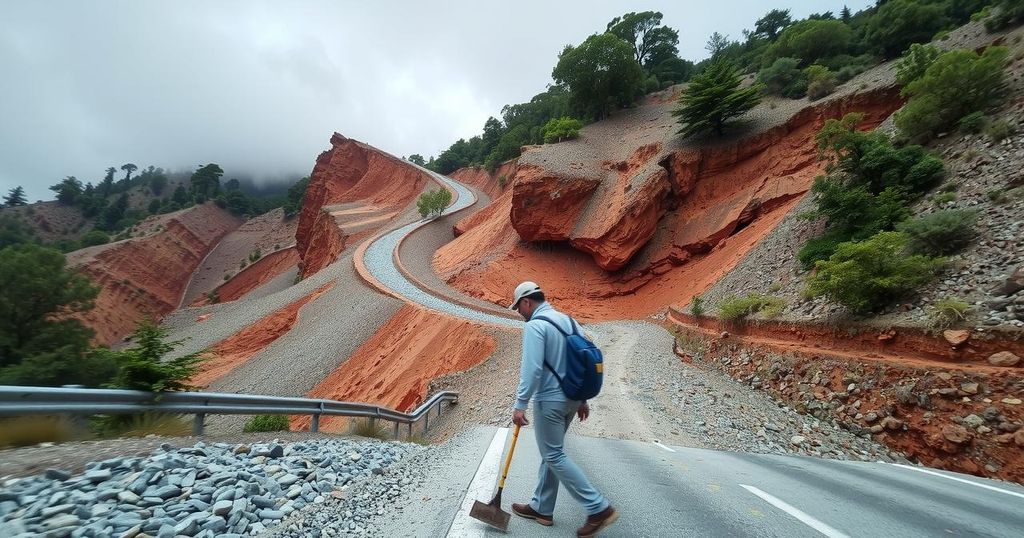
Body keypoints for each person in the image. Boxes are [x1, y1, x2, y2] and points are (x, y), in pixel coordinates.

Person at [507, 281, 618, 537]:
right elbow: (581, 360)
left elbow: (532, 369)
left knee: (554, 454)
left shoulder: (536, 326)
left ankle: (598, 507)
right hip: (571, 399)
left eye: (518, 308)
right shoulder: (568, 322)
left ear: (527, 302)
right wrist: (581, 399)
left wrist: (520, 404)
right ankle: (542, 508)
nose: (520, 313)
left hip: (550, 400)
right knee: (552, 453)